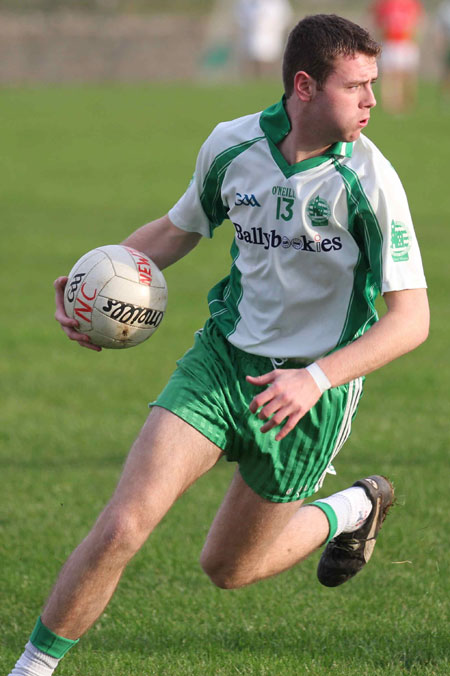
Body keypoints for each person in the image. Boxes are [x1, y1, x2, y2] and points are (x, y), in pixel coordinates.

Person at [9, 14, 429, 676]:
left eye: (373, 84)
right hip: (222, 362)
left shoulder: (370, 183)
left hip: (307, 399)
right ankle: (32, 668)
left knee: (229, 570)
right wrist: (98, 273)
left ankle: (354, 505)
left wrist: (315, 379)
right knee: (122, 525)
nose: (374, 100)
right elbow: (178, 231)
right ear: (304, 87)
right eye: (357, 87)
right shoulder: (232, 147)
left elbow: (412, 321)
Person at [371, 0, 424, 113]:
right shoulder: (385, 3)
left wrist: (415, 39)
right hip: (390, 42)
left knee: (407, 75)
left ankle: (406, 102)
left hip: (406, 41)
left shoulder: (411, 3)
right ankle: (390, 103)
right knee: (389, 74)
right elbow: (378, 22)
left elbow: (417, 22)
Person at [235, 0, 293, 78]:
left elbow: (285, 18)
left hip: (271, 37)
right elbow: (240, 17)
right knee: (252, 61)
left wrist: (272, 28)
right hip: (251, 37)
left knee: (269, 61)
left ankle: (268, 77)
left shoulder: (278, 3)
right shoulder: (246, 3)